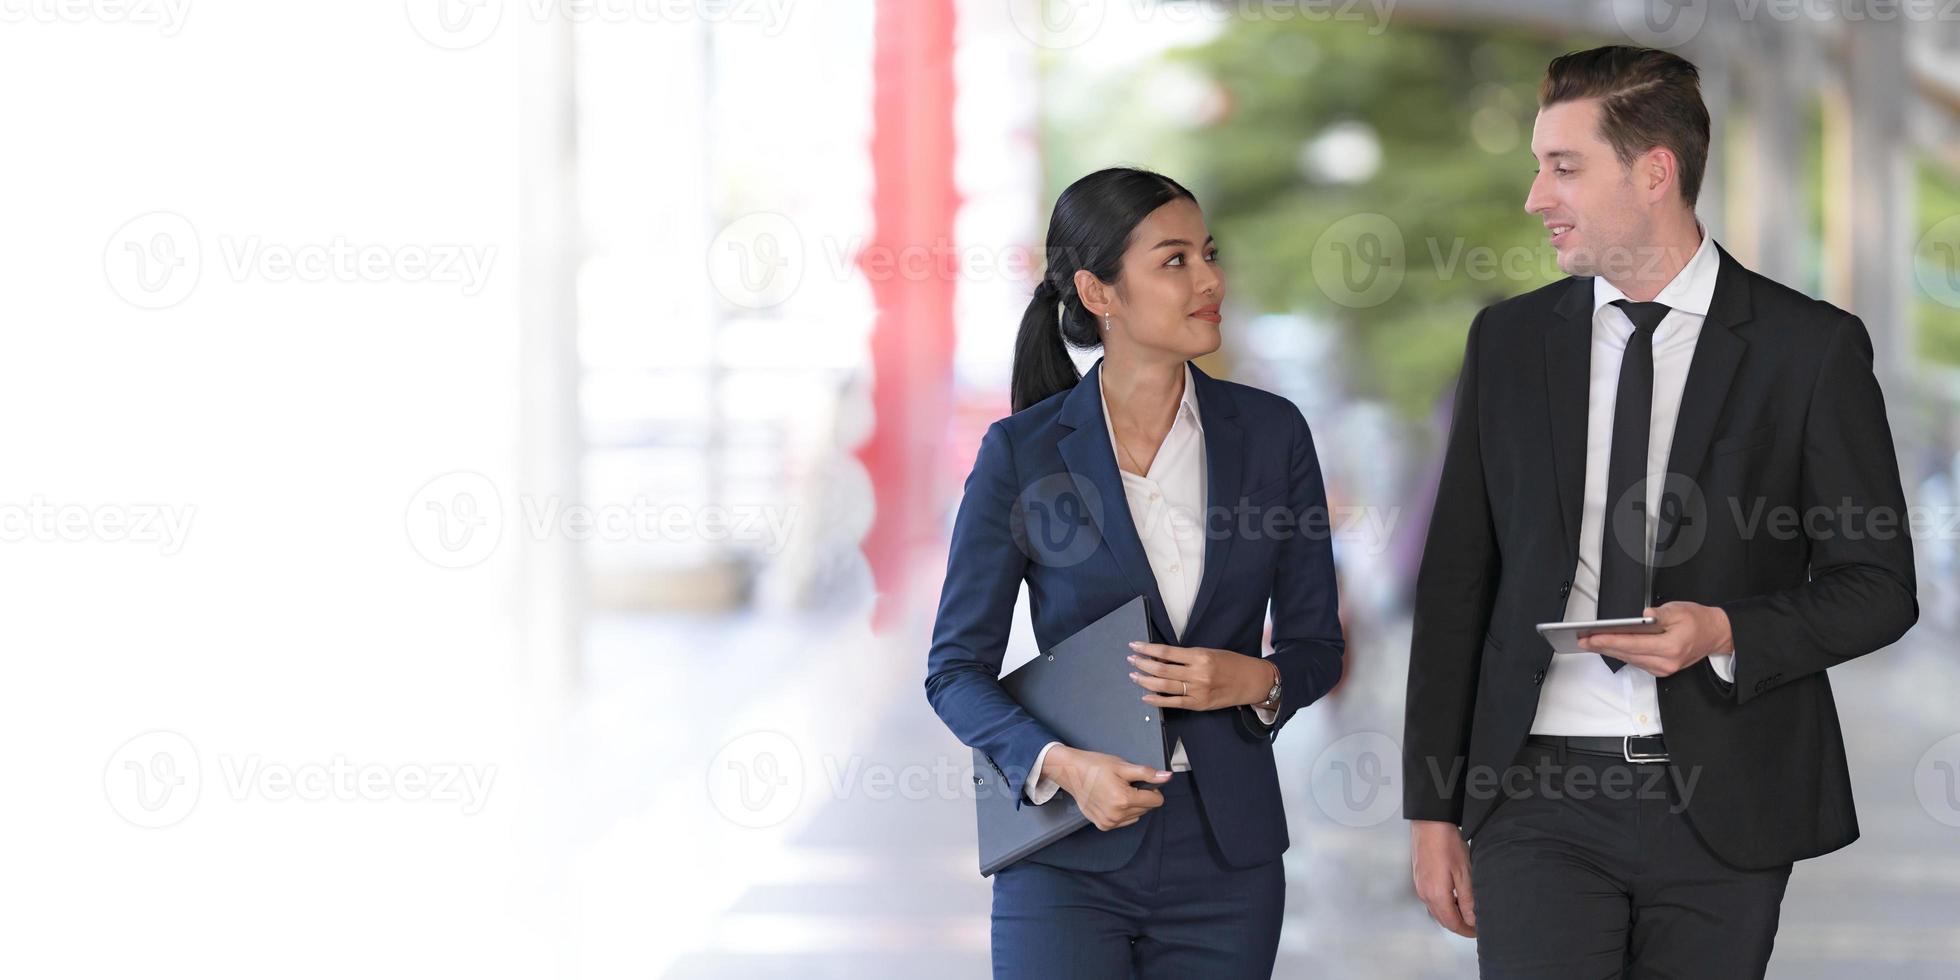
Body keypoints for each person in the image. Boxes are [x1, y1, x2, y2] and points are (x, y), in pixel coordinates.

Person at [1403, 45, 1918, 979]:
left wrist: (1723, 628)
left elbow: (1878, 588)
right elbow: (1455, 588)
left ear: (1654, 173)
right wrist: (1432, 810)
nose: (1535, 196)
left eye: (1563, 166)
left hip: (1724, 796)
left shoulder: (1809, 350)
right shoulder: (1510, 344)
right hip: (1534, 790)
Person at [924, 166, 1345, 977]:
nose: (1211, 279)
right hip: (1068, 851)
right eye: (1175, 260)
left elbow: (1315, 645)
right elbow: (954, 671)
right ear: (1099, 292)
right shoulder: (1022, 453)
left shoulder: (1272, 435)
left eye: (1209, 254)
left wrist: (1254, 680)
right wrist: (1063, 767)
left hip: (1229, 860)